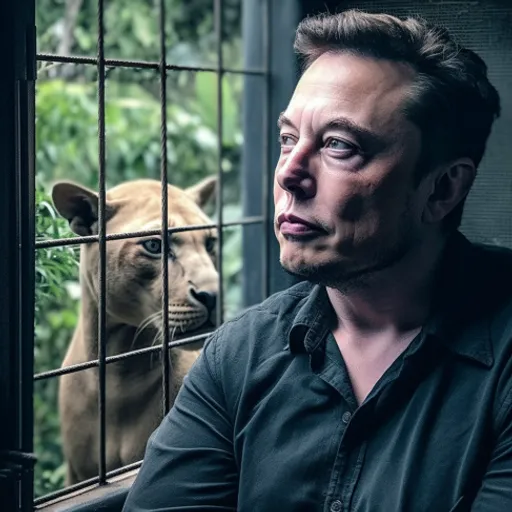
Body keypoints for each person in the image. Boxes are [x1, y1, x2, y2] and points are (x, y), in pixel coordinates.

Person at [122, 9, 512, 511]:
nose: (288, 174)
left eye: (338, 146)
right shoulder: (238, 356)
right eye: (288, 138)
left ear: (442, 188)